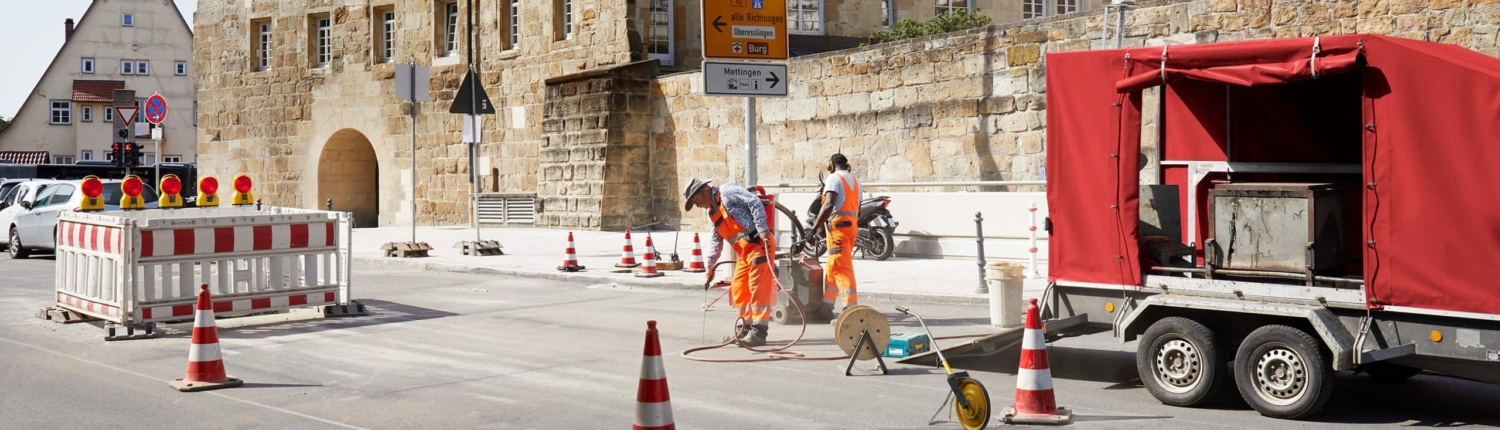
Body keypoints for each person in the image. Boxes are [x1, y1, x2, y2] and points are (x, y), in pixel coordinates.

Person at [683, 178, 776, 347]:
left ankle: (759, 332)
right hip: (744, 253)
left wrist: (762, 228)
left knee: (758, 288)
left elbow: (754, 201)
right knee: (739, 286)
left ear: (702, 193)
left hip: (759, 245)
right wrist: (710, 266)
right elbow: (715, 240)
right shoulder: (712, 212)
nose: (697, 206)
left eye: (696, 202)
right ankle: (744, 329)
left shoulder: (727, 192)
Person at [808, 153, 861, 321]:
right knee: (834, 266)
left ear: (831, 166)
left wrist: (813, 228)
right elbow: (858, 207)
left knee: (843, 269)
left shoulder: (833, 179)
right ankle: (825, 307)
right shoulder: (855, 181)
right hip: (851, 227)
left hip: (838, 229)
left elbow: (829, 204)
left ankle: (850, 310)